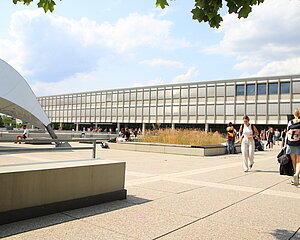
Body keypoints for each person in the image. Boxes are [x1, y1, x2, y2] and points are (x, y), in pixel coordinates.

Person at [285, 109, 300, 186]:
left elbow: (287, 133)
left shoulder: (290, 122)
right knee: (299, 161)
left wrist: (285, 144)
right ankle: (297, 174)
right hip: (299, 143)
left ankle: (294, 176)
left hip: (291, 143)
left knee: (293, 161)